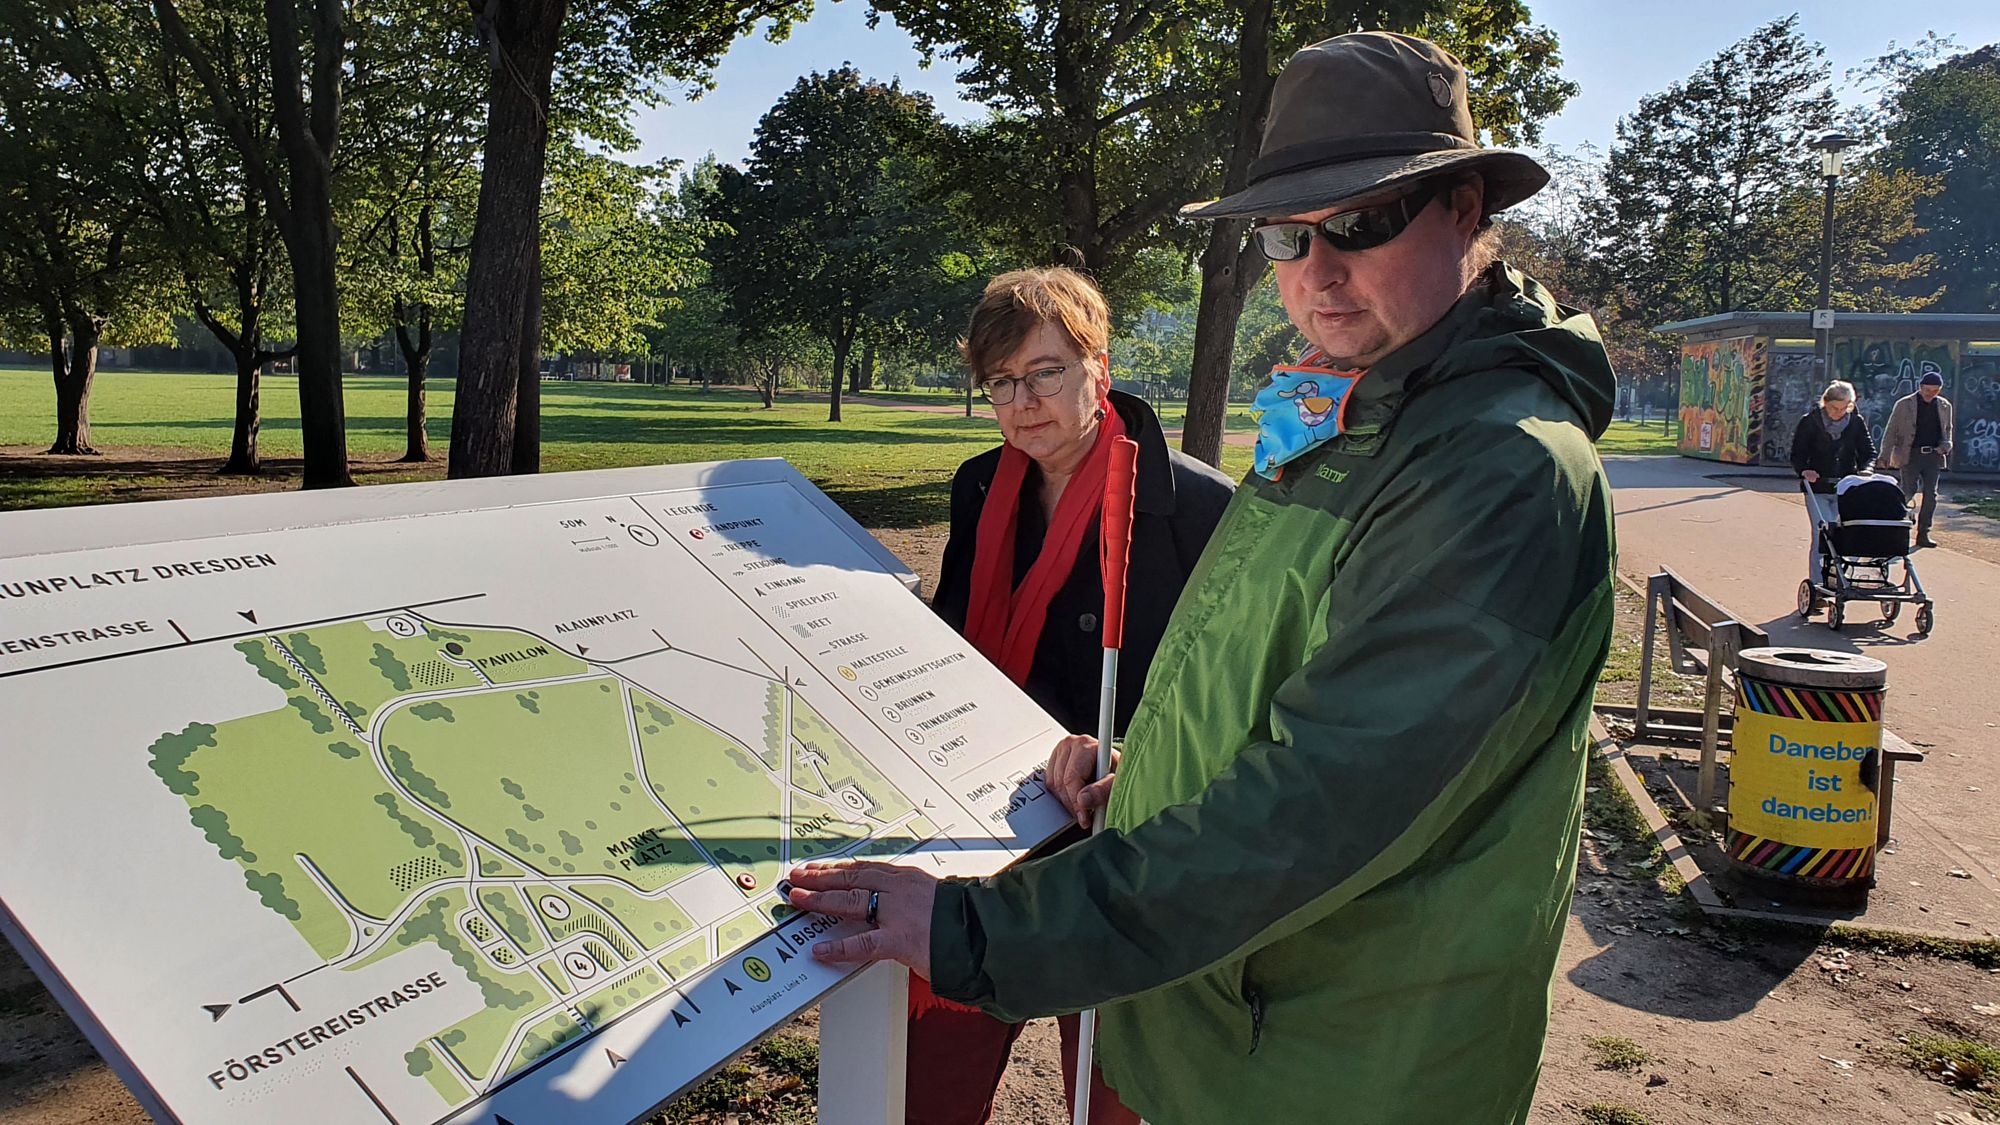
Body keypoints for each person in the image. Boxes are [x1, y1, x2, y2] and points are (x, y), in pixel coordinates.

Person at [786, 32, 1616, 1124]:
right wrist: (1152, 768)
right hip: (1228, 1009)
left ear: (1463, 208)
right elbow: (1252, 676)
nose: (1315, 272)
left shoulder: (1492, 466)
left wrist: (975, 931)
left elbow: (1321, 806)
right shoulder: (1347, 410)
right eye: (1286, 234)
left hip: (1330, 1056)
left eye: (1360, 223)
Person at [914, 267, 1234, 1125]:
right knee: (931, 1081)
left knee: (1114, 1091)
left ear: (1100, 366)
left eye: (1045, 372)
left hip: (1119, 845)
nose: (1024, 402)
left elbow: (1233, 698)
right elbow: (956, 638)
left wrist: (1138, 755)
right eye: (1001, 381)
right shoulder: (980, 485)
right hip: (985, 832)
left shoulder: (1198, 507)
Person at [1790, 380, 1877, 575]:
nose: (1839, 413)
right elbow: (1797, 454)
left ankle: (1842, 576)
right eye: (1834, 408)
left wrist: (1866, 470)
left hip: (1846, 488)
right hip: (1818, 487)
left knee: (1848, 532)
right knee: (1822, 533)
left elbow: (1868, 452)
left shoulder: (1855, 422)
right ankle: (1817, 580)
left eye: (1844, 408)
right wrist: (1805, 470)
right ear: (1825, 403)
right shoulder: (1810, 421)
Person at [1879, 371, 1953, 548]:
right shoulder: (1904, 404)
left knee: (1931, 495)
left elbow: (1948, 430)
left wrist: (1946, 446)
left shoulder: (1944, 406)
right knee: (1907, 491)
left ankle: (1924, 533)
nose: (1930, 394)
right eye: (1927, 390)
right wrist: (1884, 455)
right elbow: (1891, 431)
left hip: (1934, 456)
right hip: (1910, 454)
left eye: (1935, 391)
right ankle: (1892, 527)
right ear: (1920, 387)